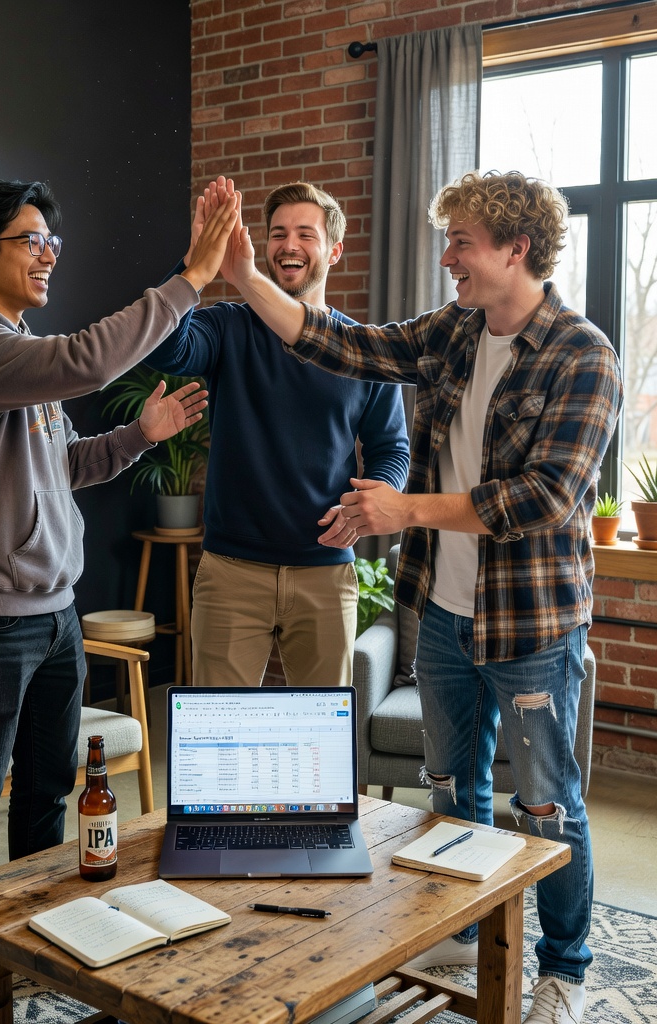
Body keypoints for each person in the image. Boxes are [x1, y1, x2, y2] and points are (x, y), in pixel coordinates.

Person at [221, 170, 622, 1024]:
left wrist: (405, 509)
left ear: (516, 250)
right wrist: (247, 279)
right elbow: (351, 346)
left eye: (462, 244)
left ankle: (566, 968)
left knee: (546, 803)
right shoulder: (457, 331)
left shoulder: (582, 354)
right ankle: (469, 928)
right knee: (451, 786)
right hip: (443, 611)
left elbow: (546, 495)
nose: (448, 259)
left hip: (533, 624)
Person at [0, 178, 236, 1024]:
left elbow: (67, 466)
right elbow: (85, 358)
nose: (50, 252)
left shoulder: (13, 341)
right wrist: (190, 279)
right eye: (32, 240)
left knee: (50, 791)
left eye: (54, 239)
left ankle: (38, 944)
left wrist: (138, 437)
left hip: (53, 613)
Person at [144, 178, 409, 687]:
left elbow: (390, 449)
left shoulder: (361, 349)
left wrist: (365, 504)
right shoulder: (228, 326)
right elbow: (163, 349)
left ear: (334, 250)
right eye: (279, 233)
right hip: (230, 572)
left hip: (327, 573)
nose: (289, 245)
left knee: (321, 742)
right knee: (219, 738)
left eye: (305, 234)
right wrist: (194, 264)